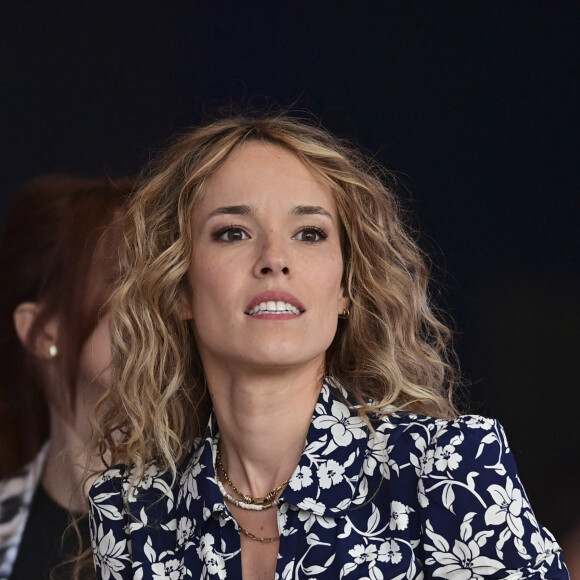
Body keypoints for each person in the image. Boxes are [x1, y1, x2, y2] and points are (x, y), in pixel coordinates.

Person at [89, 115, 568, 579]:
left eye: (310, 234)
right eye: (233, 232)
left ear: (345, 291)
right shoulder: (133, 513)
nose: (275, 259)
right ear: (180, 289)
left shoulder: (445, 470)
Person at [0, 175, 132, 579]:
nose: (158, 306)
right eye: (122, 278)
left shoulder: (226, 517)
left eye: (169, 279)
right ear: (43, 332)